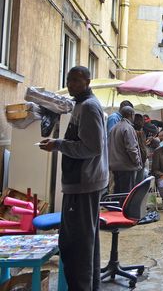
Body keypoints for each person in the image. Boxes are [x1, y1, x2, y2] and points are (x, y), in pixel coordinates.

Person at [39, 66, 108, 291]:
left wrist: (58, 144)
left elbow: (92, 147)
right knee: (85, 242)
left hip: (84, 183)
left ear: (88, 81)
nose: (71, 84)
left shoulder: (88, 107)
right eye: (69, 80)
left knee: (76, 245)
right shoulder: (80, 105)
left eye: (76, 80)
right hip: (82, 183)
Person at [108, 106, 142, 194]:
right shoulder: (128, 128)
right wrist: (137, 161)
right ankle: (124, 208)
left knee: (118, 192)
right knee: (126, 194)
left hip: (115, 166)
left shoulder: (114, 127)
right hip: (126, 167)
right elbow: (131, 149)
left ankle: (117, 208)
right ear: (131, 114)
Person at [133, 113, 148, 185]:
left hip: (140, 160)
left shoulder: (140, 132)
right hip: (138, 161)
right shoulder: (135, 132)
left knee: (138, 182)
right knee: (138, 183)